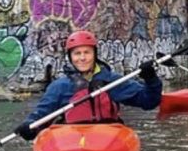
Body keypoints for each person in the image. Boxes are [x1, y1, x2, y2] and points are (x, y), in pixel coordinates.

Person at [14, 30, 162, 140]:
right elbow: (41, 114)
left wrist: (151, 79)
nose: (82, 58)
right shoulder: (60, 86)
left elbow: (148, 101)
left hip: (108, 137)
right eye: (77, 53)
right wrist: (29, 126)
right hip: (71, 139)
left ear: (95, 54)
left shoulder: (112, 81)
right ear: (70, 57)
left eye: (87, 52)